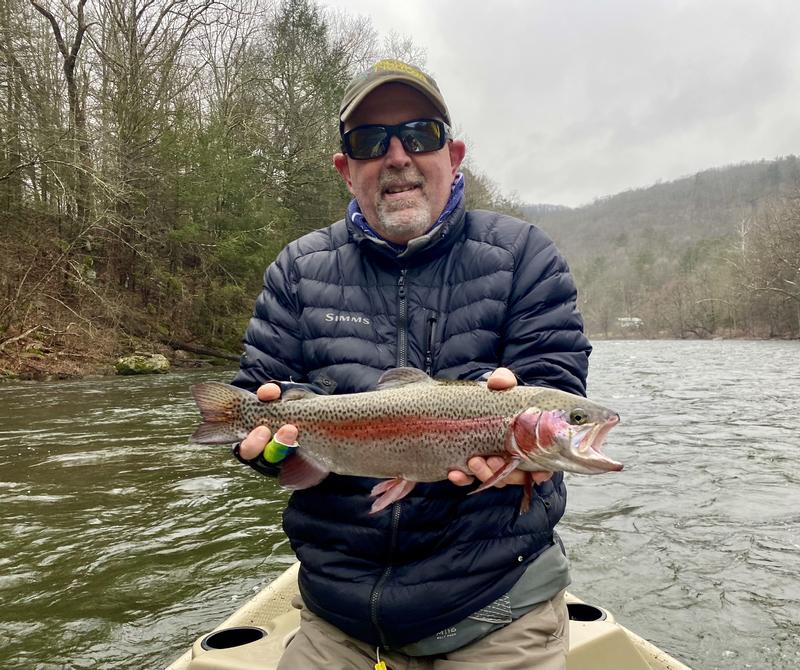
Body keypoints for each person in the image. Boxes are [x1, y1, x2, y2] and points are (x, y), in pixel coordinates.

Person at [231, 59, 591, 670]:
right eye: (370, 141)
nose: (397, 155)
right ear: (347, 171)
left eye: (419, 135)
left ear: (453, 155)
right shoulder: (296, 269)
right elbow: (254, 408)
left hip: (496, 608)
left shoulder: (524, 256)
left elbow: (554, 386)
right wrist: (271, 451)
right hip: (336, 618)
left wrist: (521, 442)